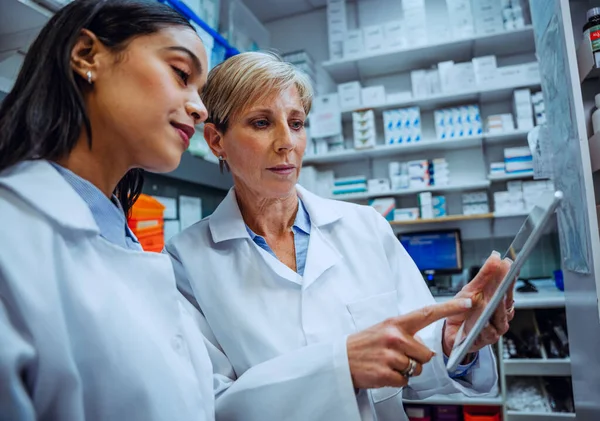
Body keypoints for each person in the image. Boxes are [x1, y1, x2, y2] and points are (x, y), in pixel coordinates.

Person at [166, 51, 515, 421]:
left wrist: (452, 342)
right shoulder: (187, 260)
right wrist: (340, 368)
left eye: (297, 123)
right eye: (261, 122)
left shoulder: (366, 227)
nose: (287, 142)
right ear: (216, 140)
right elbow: (213, 403)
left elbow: (416, 351)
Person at [0, 0, 216, 419]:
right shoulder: (13, 233)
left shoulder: (123, 237)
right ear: (86, 55)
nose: (200, 108)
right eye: (181, 74)